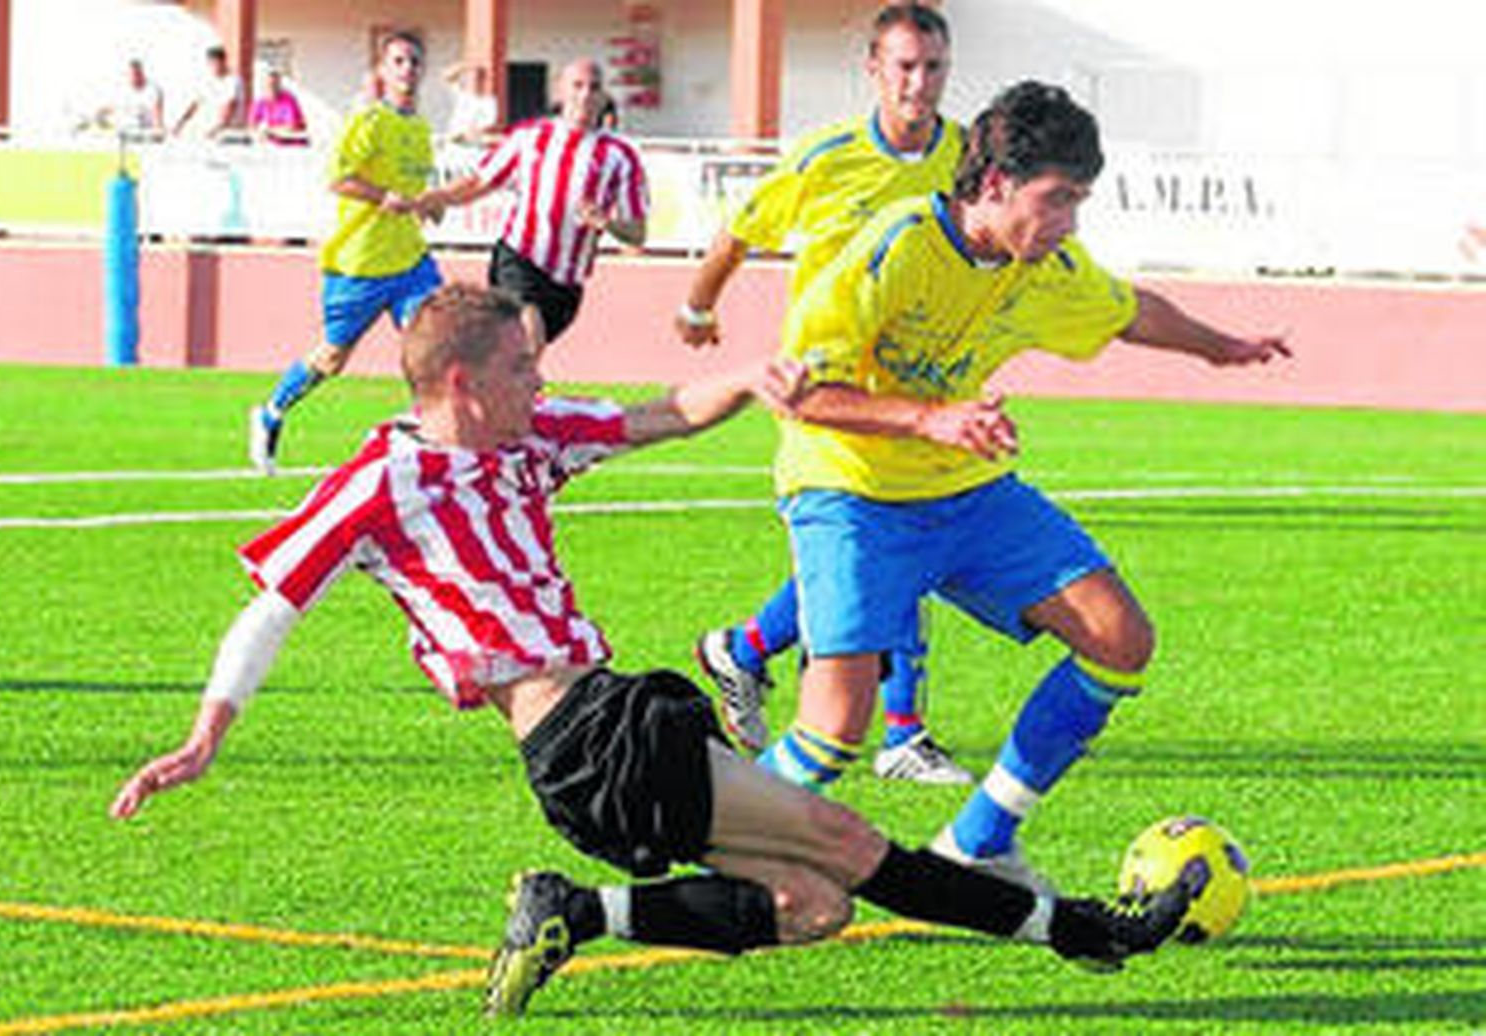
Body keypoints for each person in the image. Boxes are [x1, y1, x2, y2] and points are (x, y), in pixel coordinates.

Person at [109, 282, 1193, 1018]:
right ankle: (1083, 932)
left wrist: (753, 380)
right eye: (521, 368)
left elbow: (661, 415)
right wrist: (206, 735)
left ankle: (576, 910)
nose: (539, 384)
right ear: (461, 385)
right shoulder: (379, 482)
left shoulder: (528, 437)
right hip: (586, 736)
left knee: (813, 906)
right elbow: (273, 604)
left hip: (600, 738)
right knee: (847, 841)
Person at [766, 80, 1290, 891]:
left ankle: (977, 842)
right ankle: (709, 830)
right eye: (1058, 199)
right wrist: (930, 419)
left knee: (1120, 639)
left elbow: (1128, 310)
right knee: (834, 730)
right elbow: (799, 394)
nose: (1069, 223)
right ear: (995, 183)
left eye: (1079, 202)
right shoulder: (895, 247)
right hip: (850, 493)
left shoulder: (1048, 265)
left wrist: (1220, 348)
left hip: (966, 490)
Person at [679, 4, 973, 785]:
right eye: (904, 66)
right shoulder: (826, 157)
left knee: (880, 551)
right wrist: (697, 307)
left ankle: (743, 649)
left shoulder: (967, 157)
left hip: (920, 382)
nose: (919, 83)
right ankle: (902, 734)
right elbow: (741, 231)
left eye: (933, 67)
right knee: (895, 538)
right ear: (873, 68)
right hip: (826, 389)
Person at [246, 31, 442, 476]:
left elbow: (414, 189)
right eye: (398, 61)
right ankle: (271, 412)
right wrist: (382, 197)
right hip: (360, 263)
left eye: (414, 61)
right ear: (382, 70)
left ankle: (426, 439)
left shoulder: (420, 128)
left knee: (433, 340)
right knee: (332, 358)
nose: (408, 69)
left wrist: (430, 205)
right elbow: (338, 179)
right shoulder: (369, 121)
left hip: (410, 261)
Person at [419, 59, 648, 344]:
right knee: (529, 333)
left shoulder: (621, 157)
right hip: (519, 260)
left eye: (594, 88)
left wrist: (606, 222)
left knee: (515, 356)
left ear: (603, 96)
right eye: (577, 86)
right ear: (560, 91)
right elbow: (479, 183)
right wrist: (434, 198)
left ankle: (472, 368)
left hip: (567, 284)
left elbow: (637, 234)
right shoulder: (529, 137)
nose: (585, 95)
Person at [172, 44, 246, 141]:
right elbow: (195, 104)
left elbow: (229, 107)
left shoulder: (233, 81)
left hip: (229, 132)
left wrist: (216, 129)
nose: (213, 67)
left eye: (216, 63)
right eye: (211, 63)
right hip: (209, 132)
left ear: (224, 62)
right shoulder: (206, 81)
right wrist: (180, 123)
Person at [94, 57, 165, 142]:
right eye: (132, 75)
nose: (135, 77)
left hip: (144, 131)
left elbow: (157, 113)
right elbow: (115, 107)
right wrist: (100, 113)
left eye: (138, 74)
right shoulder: (122, 89)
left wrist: (158, 129)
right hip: (124, 129)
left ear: (142, 74)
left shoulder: (153, 89)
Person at [441, 60, 499, 146]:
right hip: (453, 143)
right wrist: (465, 66)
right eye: (473, 78)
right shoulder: (462, 95)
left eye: (479, 78)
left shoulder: (489, 102)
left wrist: (471, 133)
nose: (475, 82)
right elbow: (447, 76)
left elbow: (487, 125)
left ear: (485, 80)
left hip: (474, 145)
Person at [249, 66, 308, 146]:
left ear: (279, 83)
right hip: (275, 144)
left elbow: (293, 126)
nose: (272, 86)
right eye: (269, 83)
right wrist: (258, 133)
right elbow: (252, 124)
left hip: (293, 144)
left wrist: (270, 130)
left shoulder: (288, 99)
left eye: (275, 84)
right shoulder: (260, 101)